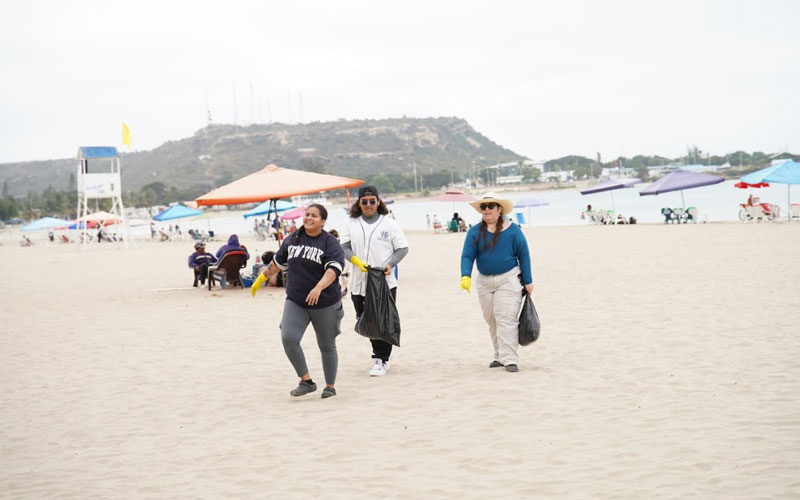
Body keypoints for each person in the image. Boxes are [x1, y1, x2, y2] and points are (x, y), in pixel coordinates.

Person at [251, 204, 344, 399]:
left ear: (323, 221)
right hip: (296, 300)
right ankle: (306, 381)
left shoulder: (329, 242)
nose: (309, 218)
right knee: (289, 338)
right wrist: (261, 279)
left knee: (326, 345)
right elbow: (277, 263)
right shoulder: (293, 239)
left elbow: (333, 269)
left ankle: (330, 386)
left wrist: (318, 287)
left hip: (324, 302)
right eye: (307, 215)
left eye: (314, 216)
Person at [459, 192, 534, 373]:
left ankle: (510, 359)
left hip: (508, 279)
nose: (487, 210)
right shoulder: (474, 232)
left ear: (499, 209)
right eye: (483, 207)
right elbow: (467, 256)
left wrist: (528, 281)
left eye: (491, 206)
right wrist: (465, 275)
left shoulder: (513, 230)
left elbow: (524, 254)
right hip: (484, 281)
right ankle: (499, 355)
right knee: (492, 320)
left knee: (506, 318)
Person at [340, 185, 409, 377]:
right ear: (359, 203)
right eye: (364, 202)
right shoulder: (350, 223)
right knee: (366, 320)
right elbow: (344, 247)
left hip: (383, 280)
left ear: (378, 202)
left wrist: (390, 264)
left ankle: (381, 358)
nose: (368, 205)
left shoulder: (389, 223)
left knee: (383, 319)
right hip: (358, 281)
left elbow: (402, 249)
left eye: (372, 201)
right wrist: (355, 260)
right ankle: (380, 354)